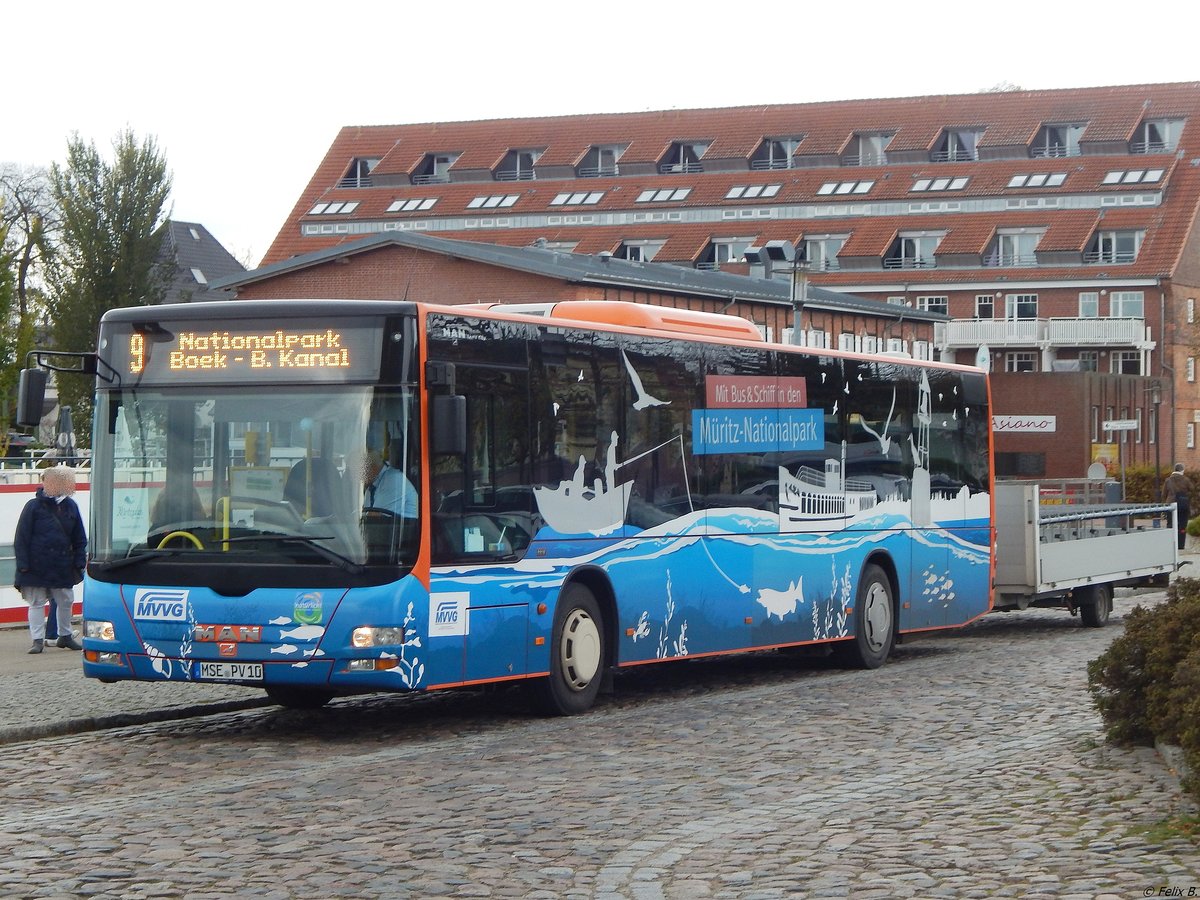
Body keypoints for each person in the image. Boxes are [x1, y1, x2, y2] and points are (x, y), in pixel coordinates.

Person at [14, 466, 86, 653]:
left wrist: (79, 561)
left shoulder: (71, 506)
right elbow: (21, 537)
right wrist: (23, 564)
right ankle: (37, 640)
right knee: (37, 602)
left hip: (61, 564)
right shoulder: (33, 506)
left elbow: (79, 538)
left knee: (65, 600)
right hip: (36, 564)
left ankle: (65, 635)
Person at [362, 449, 418, 518]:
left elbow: (374, 517)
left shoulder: (393, 479)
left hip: (410, 527)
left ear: (372, 468)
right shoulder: (371, 488)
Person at [1162, 463, 1193, 551]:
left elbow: (1163, 494)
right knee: (1182, 525)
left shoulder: (1168, 480)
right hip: (1183, 505)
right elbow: (1192, 489)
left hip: (1171, 505)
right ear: (1182, 470)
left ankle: (1171, 544)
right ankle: (1181, 545)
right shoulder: (1186, 480)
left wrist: (1166, 503)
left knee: (1171, 525)